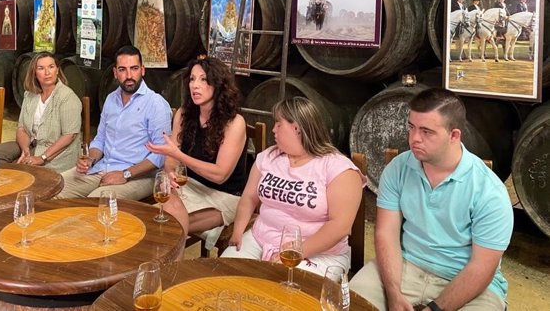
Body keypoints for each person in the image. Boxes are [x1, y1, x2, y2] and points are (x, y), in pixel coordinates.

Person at [350, 88, 513, 311]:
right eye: (411, 127)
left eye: (426, 131)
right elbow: (386, 233)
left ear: (454, 135)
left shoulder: (489, 191)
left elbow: (481, 267)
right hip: (407, 265)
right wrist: (393, 292)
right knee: (349, 302)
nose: (414, 138)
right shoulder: (398, 168)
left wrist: (435, 309)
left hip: (466, 279)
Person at [221, 96, 365, 276]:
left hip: (317, 253)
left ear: (296, 128)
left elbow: (340, 226)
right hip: (260, 240)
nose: (273, 129)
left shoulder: (338, 168)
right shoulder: (268, 156)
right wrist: (238, 232)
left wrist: (296, 252)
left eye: (278, 124)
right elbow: (249, 197)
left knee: (282, 297)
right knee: (223, 278)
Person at [146, 56, 247, 244]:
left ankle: (167, 268)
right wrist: (170, 173)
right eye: (192, 79)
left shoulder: (234, 123)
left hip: (224, 196)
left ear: (218, 84)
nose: (195, 85)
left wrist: (178, 155)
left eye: (203, 79)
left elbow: (220, 174)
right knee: (163, 190)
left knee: (168, 226)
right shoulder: (184, 114)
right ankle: (166, 266)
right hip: (190, 186)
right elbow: (171, 161)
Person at [58, 45, 171, 199]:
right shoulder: (111, 99)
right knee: (55, 187)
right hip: (102, 167)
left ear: (143, 70)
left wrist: (126, 174)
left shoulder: (155, 104)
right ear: (115, 73)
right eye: (123, 69)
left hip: (138, 175)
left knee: (97, 204)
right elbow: (100, 139)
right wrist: (90, 159)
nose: (129, 75)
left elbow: (161, 154)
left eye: (134, 68)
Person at [0, 52, 81, 173]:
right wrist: (25, 150)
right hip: (32, 145)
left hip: (55, 154)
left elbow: (69, 135)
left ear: (57, 70)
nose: (47, 72)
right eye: (41, 68)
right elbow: (22, 128)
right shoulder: (29, 95)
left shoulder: (67, 97)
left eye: (51, 67)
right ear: (34, 73)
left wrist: (42, 157)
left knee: (21, 174)